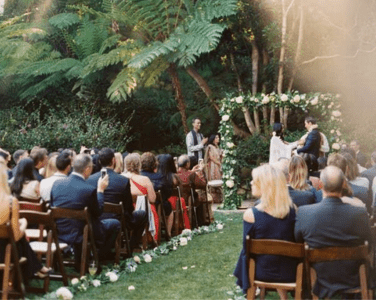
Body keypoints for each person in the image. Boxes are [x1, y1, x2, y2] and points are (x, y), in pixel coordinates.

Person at [295, 166, 373, 299]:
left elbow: (298, 241)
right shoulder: (359, 213)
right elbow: (369, 245)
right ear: (344, 184)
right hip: (353, 275)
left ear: (320, 185)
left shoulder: (304, 212)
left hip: (319, 277)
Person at [234, 165, 297, 299]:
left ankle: (247, 288)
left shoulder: (251, 215)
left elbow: (247, 251)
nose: (251, 183)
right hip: (290, 271)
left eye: (254, 180)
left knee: (246, 252)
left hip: (261, 272)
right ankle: (283, 296)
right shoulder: (293, 210)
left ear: (265, 186)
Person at [51, 154, 120, 262]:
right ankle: (100, 257)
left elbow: (52, 207)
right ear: (87, 169)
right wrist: (100, 191)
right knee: (115, 223)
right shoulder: (88, 189)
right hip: (82, 232)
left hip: (60, 231)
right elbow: (98, 212)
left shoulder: (56, 184)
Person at [87, 148, 147, 254]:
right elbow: (128, 206)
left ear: (100, 161)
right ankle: (131, 248)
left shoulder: (90, 179)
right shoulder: (122, 180)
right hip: (118, 220)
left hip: (96, 219)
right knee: (142, 214)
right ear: (114, 160)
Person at [0, 158, 51, 280]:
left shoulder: (13, 192)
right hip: (4, 254)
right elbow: (16, 236)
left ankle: (37, 269)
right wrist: (23, 223)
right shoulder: (9, 202)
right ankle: (36, 269)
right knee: (17, 239)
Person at [124, 153, 159, 243]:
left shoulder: (121, 178)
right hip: (142, 211)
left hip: (126, 210)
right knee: (152, 207)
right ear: (139, 165)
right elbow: (152, 199)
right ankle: (150, 237)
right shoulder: (145, 179)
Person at [157, 154, 191, 235]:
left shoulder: (156, 177)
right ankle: (171, 231)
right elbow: (181, 192)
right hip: (173, 203)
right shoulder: (174, 178)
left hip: (159, 203)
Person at [140, 152, 174, 230]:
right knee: (168, 207)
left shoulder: (137, 176)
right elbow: (167, 193)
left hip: (139, 206)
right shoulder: (160, 177)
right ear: (154, 164)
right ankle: (168, 233)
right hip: (156, 205)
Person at [177, 154, 211, 226]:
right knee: (199, 199)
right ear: (187, 164)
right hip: (189, 200)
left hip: (177, 201)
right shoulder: (191, 174)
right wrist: (200, 173)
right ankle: (200, 222)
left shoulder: (174, 174)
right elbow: (202, 185)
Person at [204, 134, 223, 203]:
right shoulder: (210, 147)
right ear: (213, 139)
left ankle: (219, 197)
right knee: (213, 180)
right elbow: (211, 157)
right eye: (217, 137)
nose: (218, 138)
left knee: (219, 181)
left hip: (218, 165)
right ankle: (212, 197)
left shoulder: (217, 147)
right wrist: (218, 163)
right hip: (213, 165)